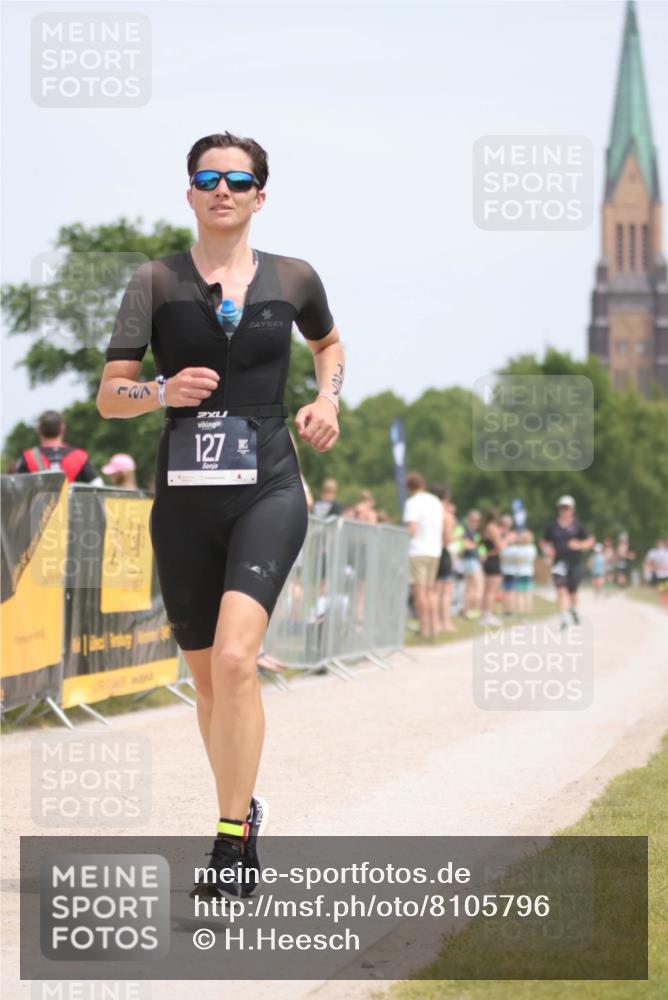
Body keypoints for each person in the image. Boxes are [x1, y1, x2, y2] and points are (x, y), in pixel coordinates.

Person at [96, 131, 344, 899]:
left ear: (259, 196)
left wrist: (326, 397)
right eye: (208, 177)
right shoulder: (155, 282)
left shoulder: (295, 276)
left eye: (239, 179)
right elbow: (109, 395)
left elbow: (328, 344)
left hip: (269, 486)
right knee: (208, 684)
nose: (223, 189)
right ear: (191, 193)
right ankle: (243, 807)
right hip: (184, 501)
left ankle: (231, 844)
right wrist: (158, 394)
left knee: (238, 660)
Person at [541, 495, 594, 629]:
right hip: (559, 563)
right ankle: (563, 618)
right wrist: (547, 549)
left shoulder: (578, 526)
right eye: (562, 508)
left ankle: (573, 610)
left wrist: (580, 545)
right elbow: (544, 542)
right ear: (559, 509)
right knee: (560, 590)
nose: (565, 510)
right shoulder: (552, 526)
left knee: (573, 592)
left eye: (567, 508)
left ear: (572, 509)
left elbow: (590, 540)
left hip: (575, 563)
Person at [402, 472, 443, 639]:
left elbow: (412, 529)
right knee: (430, 591)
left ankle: (424, 628)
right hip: (435, 549)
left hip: (418, 550)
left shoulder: (412, 502)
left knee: (419, 592)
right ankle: (435, 626)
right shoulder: (435, 501)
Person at [14, 410, 102, 484]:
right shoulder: (80, 456)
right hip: (71, 505)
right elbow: (97, 486)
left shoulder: (28, 457)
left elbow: (17, 488)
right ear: (62, 429)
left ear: (39, 430)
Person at [430, 485, 457, 633]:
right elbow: (448, 539)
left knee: (433, 591)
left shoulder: (428, 512)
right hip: (443, 552)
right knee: (446, 591)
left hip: (431, 551)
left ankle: (434, 623)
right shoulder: (446, 515)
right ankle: (445, 622)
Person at [480, 508, 504, 626]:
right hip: (494, 559)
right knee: (491, 590)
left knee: (487, 590)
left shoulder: (485, 528)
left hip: (487, 559)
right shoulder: (493, 529)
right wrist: (507, 540)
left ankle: (485, 613)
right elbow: (499, 547)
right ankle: (487, 615)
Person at [460, 509, 484, 620]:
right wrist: (476, 548)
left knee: (469, 587)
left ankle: (467, 609)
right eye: (474, 520)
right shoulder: (466, 531)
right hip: (470, 560)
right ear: (469, 520)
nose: (476, 523)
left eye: (478, 521)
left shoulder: (474, 532)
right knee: (476, 586)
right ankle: (471, 609)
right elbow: (465, 544)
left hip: (470, 560)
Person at [513, 529, 537, 615]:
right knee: (528, 592)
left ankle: (521, 610)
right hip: (529, 572)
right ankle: (528, 610)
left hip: (519, 572)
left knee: (520, 593)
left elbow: (517, 560)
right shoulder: (532, 548)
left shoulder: (519, 549)